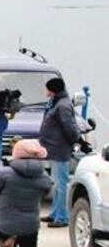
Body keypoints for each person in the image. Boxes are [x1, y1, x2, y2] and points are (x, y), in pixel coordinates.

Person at [0, 139, 52, 247]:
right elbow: (47, 191)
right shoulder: (43, 176)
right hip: (30, 225)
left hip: (6, 224)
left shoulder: (3, 173)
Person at [38, 77, 81, 229]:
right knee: (56, 183)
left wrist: (77, 140)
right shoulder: (57, 102)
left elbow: (69, 127)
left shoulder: (62, 106)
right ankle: (55, 213)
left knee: (61, 184)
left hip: (60, 149)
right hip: (54, 149)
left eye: (47, 89)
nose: (46, 92)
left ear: (53, 90)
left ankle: (62, 217)